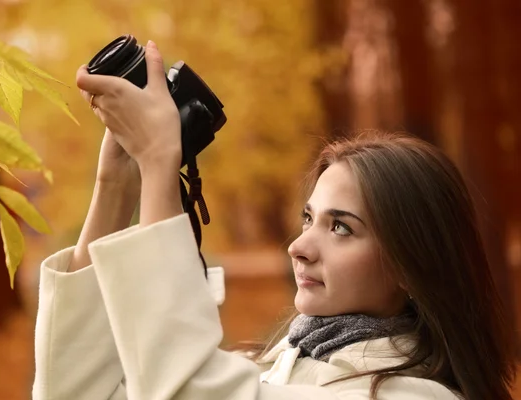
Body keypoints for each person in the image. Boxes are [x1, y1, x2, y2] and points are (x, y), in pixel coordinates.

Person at [32, 41, 516, 400]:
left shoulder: (412, 397)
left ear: (412, 266)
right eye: (309, 218)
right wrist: (116, 183)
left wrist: (161, 160)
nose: (299, 246)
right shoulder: (276, 364)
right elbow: (73, 392)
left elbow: (187, 392)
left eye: (341, 227)